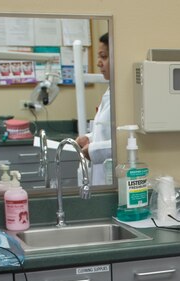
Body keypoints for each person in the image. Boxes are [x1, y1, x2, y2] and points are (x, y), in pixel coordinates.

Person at [76, 32, 111, 184]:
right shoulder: (111, 91)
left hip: (114, 181)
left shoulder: (126, 95)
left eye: (103, 56)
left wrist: (93, 150)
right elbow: (107, 131)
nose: (98, 63)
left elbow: (129, 142)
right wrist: (89, 138)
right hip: (103, 178)